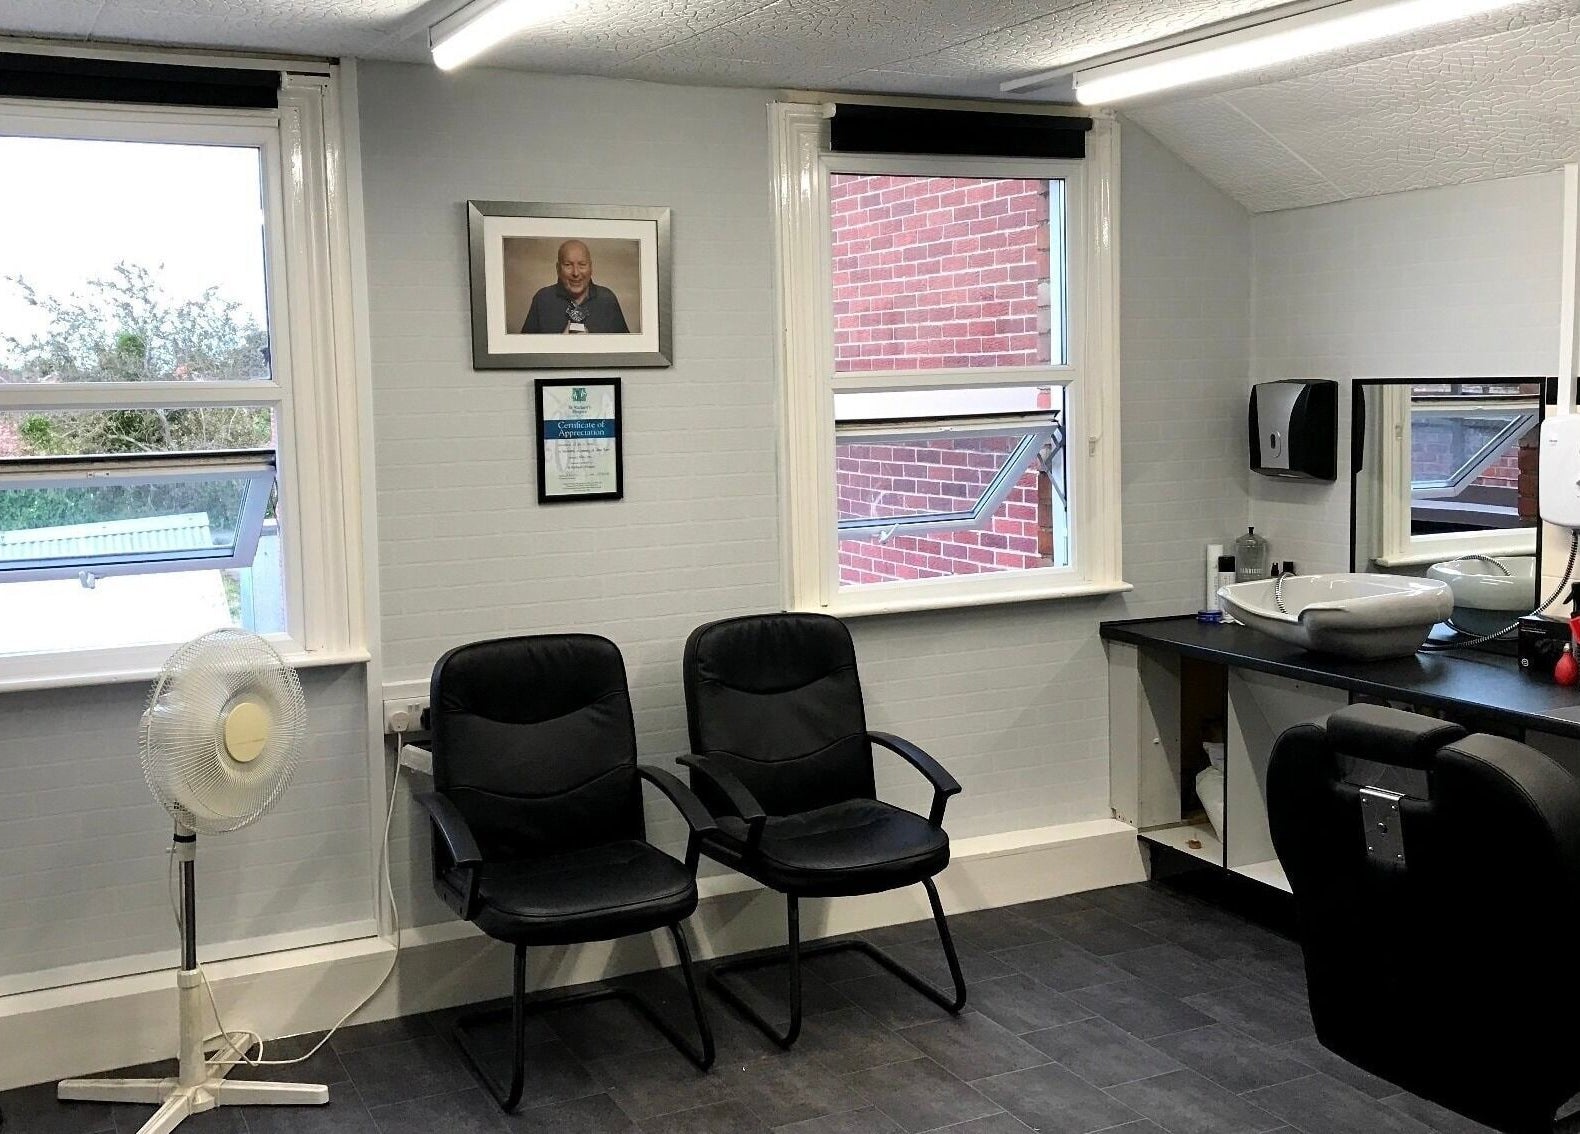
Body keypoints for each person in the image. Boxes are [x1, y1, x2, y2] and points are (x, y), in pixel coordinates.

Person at [520, 239, 629, 334]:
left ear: (591, 267)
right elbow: (524, 352)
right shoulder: (542, 299)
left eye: (582, 265)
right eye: (568, 265)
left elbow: (626, 351)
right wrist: (558, 345)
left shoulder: (607, 299)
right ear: (558, 269)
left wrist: (594, 346)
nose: (576, 273)